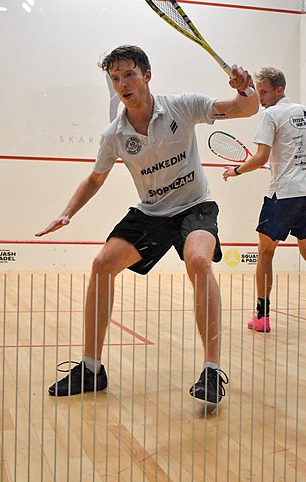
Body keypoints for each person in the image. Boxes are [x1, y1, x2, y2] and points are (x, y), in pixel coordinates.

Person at [37, 45, 258, 403]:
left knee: (199, 261)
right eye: (115, 78)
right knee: (102, 264)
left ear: (147, 76)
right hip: (152, 212)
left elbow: (245, 108)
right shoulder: (114, 135)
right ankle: (91, 369)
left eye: (128, 75)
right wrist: (68, 212)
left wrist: (244, 89)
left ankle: (212, 372)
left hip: (194, 206)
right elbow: (95, 179)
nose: (122, 84)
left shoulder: (183, 106)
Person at [223, 66, 306, 332]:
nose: (260, 98)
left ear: (279, 90)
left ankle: (262, 317)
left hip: (283, 196)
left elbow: (260, 157)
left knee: (265, 253)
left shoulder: (270, 114)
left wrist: (235, 171)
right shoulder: (303, 111)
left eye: (264, 92)